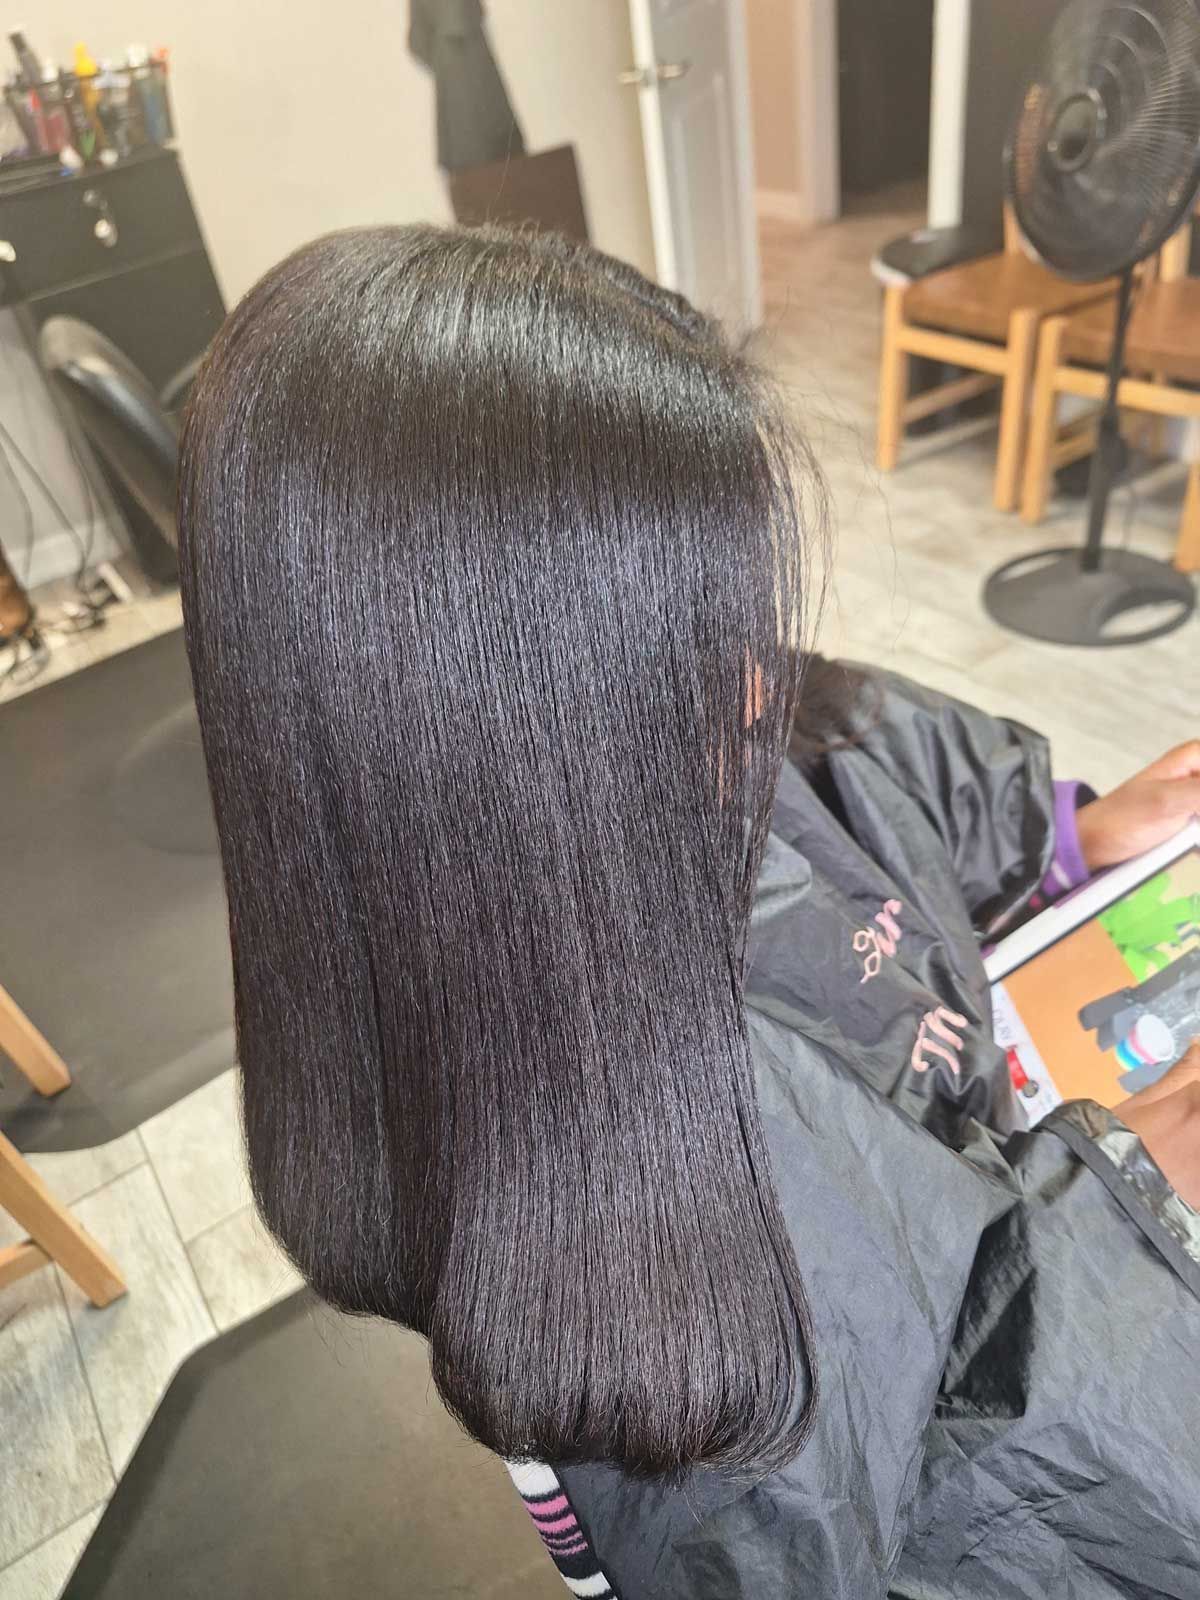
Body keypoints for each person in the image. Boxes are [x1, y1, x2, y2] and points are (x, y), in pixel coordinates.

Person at [177, 224, 1200, 1600]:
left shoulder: (672, 726)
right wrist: (1121, 1206)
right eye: (693, 663)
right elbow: (928, 1532)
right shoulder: (596, 1207)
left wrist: (1074, 837)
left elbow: (875, 757)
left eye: (737, 632)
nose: (758, 696)